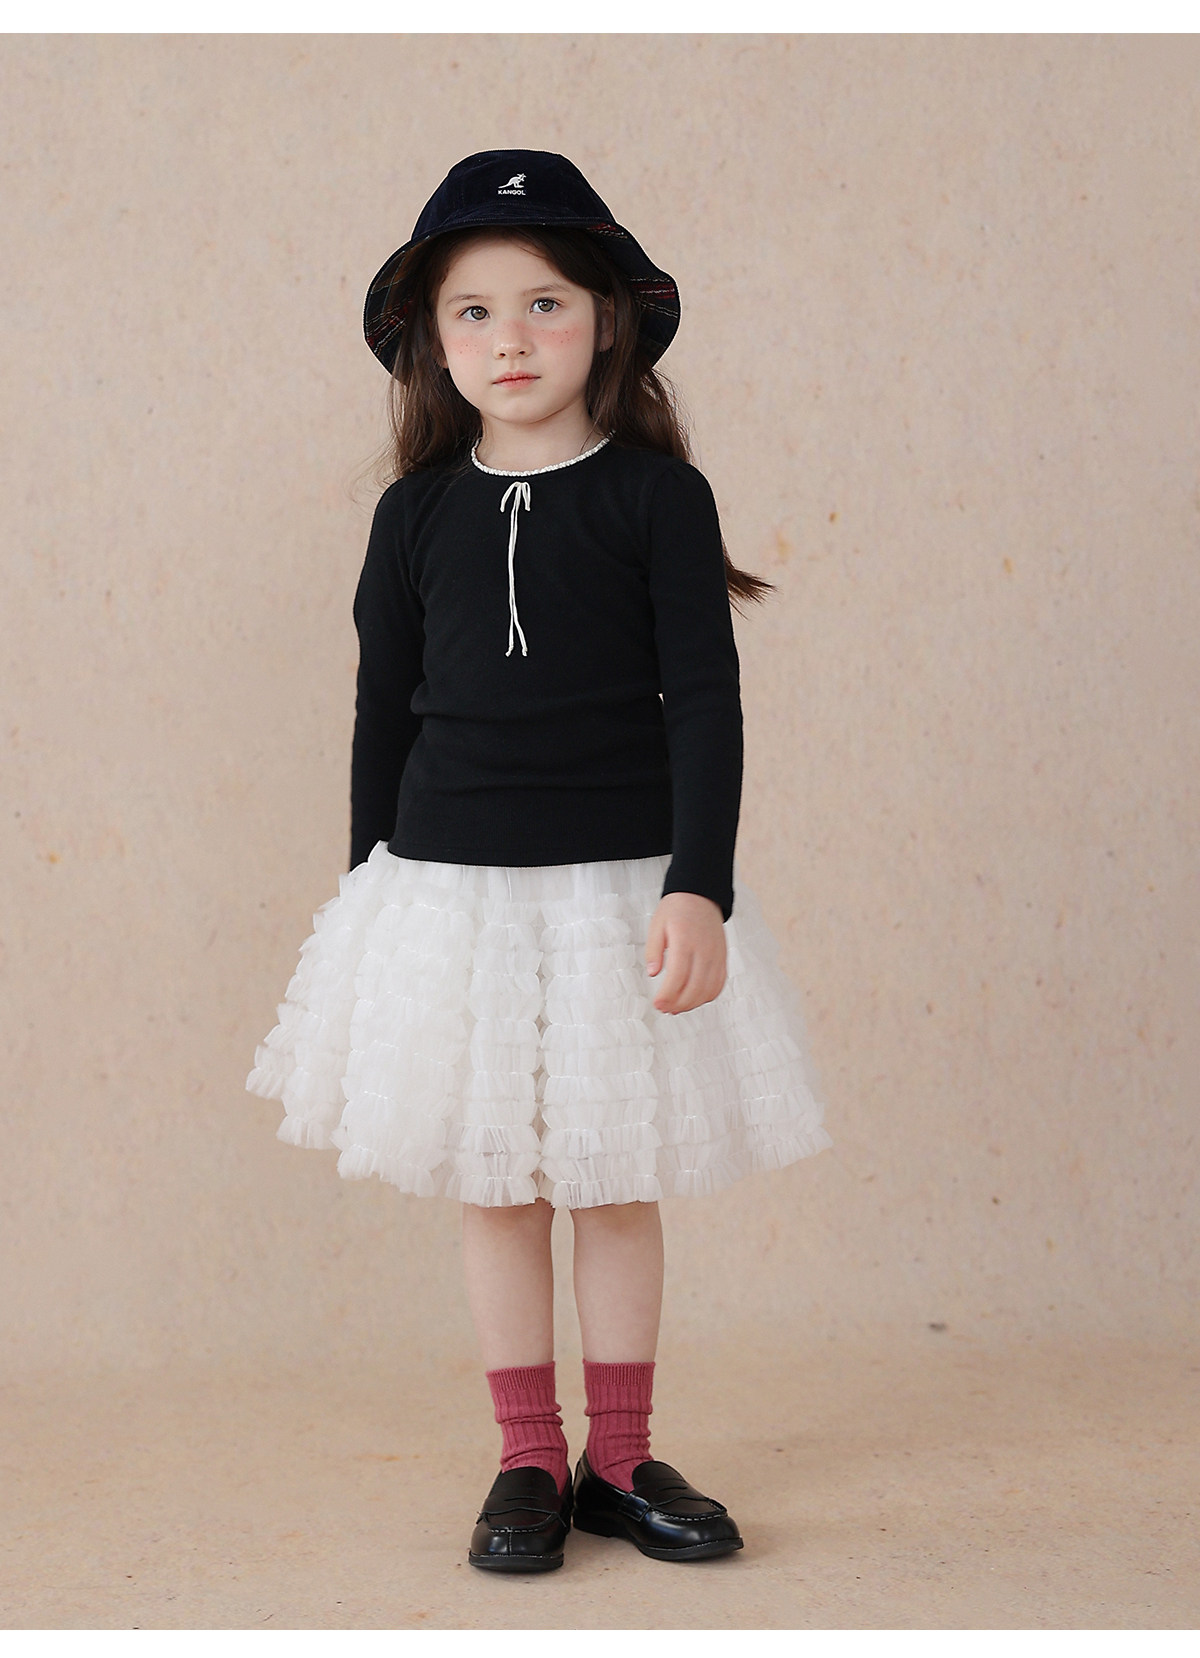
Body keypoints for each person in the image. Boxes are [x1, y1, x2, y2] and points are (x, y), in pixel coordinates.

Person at [246, 149, 833, 1574]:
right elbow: (384, 711)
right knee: (497, 1180)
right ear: (433, 343)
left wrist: (699, 882)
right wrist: (367, 893)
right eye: (474, 312)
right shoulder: (413, 515)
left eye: (545, 303)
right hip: (452, 896)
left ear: (607, 321)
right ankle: (526, 1453)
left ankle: (618, 1458)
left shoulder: (657, 500)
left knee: (613, 1175)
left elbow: (705, 702)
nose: (510, 338)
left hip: (618, 893)